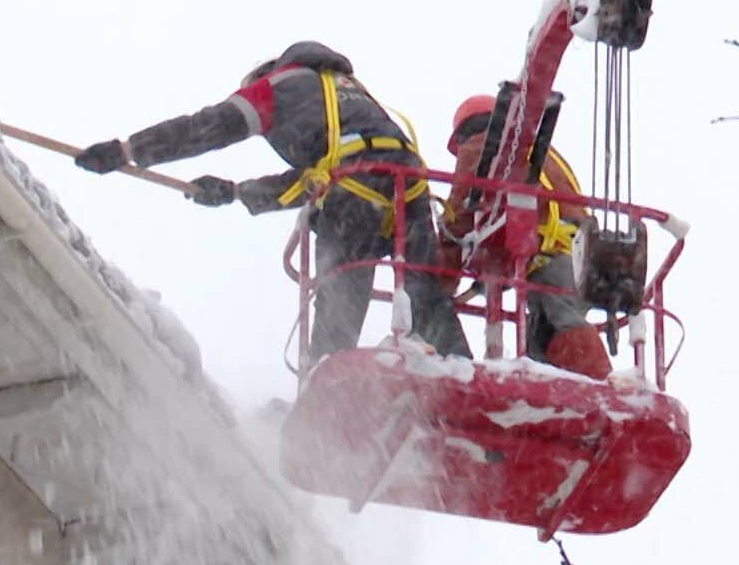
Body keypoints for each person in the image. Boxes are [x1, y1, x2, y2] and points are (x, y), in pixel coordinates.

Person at [74, 41, 470, 365]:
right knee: (425, 292)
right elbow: (312, 176)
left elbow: (205, 127)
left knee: (339, 301)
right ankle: (463, 379)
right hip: (410, 186)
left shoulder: (276, 88)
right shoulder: (347, 92)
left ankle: (330, 397)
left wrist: (129, 150)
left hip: (355, 189)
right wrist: (234, 192)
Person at [441, 95, 612, 379]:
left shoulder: (481, 144)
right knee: (543, 330)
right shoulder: (542, 153)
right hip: (581, 253)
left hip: (549, 251)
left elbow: (459, 216)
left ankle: (599, 385)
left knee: (560, 318)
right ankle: (566, 394)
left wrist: (440, 278)